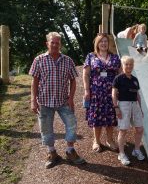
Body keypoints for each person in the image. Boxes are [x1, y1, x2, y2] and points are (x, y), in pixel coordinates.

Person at [30, 32, 86, 168]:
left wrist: (71, 99)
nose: (55, 45)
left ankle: (70, 150)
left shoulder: (68, 60)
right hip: (44, 101)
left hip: (63, 101)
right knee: (46, 128)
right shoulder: (39, 60)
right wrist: (33, 100)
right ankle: (52, 153)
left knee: (71, 124)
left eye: (57, 43)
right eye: (52, 42)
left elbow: (73, 80)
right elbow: (34, 81)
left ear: (60, 44)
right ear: (47, 44)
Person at [83, 33, 121, 152]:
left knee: (110, 116)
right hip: (96, 92)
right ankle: (96, 141)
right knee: (96, 117)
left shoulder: (115, 57)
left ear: (108, 43)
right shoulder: (91, 56)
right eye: (101, 41)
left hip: (111, 92)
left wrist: (120, 88)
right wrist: (86, 89)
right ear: (97, 44)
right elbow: (86, 74)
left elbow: (120, 73)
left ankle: (109, 140)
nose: (103, 43)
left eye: (105, 41)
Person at [112, 56, 145, 166]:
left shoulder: (135, 80)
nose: (129, 66)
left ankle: (136, 150)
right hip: (123, 105)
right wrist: (116, 108)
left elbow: (138, 95)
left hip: (135, 105)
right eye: (126, 64)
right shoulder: (118, 78)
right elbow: (113, 94)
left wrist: (140, 108)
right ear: (122, 65)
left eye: (131, 64)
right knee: (123, 130)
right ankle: (121, 154)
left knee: (140, 129)